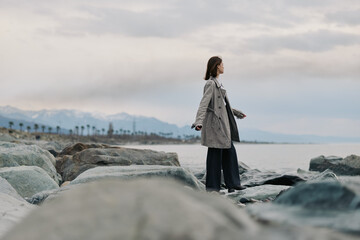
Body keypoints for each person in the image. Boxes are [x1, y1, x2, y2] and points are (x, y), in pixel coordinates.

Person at [192, 56, 246, 193]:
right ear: (216, 66)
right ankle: (213, 188)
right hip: (215, 125)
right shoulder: (210, 84)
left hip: (222, 124)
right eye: (222, 64)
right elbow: (203, 104)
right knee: (216, 155)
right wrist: (199, 122)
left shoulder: (218, 83)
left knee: (229, 152)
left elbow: (222, 106)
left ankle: (232, 184)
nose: (223, 67)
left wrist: (237, 113)